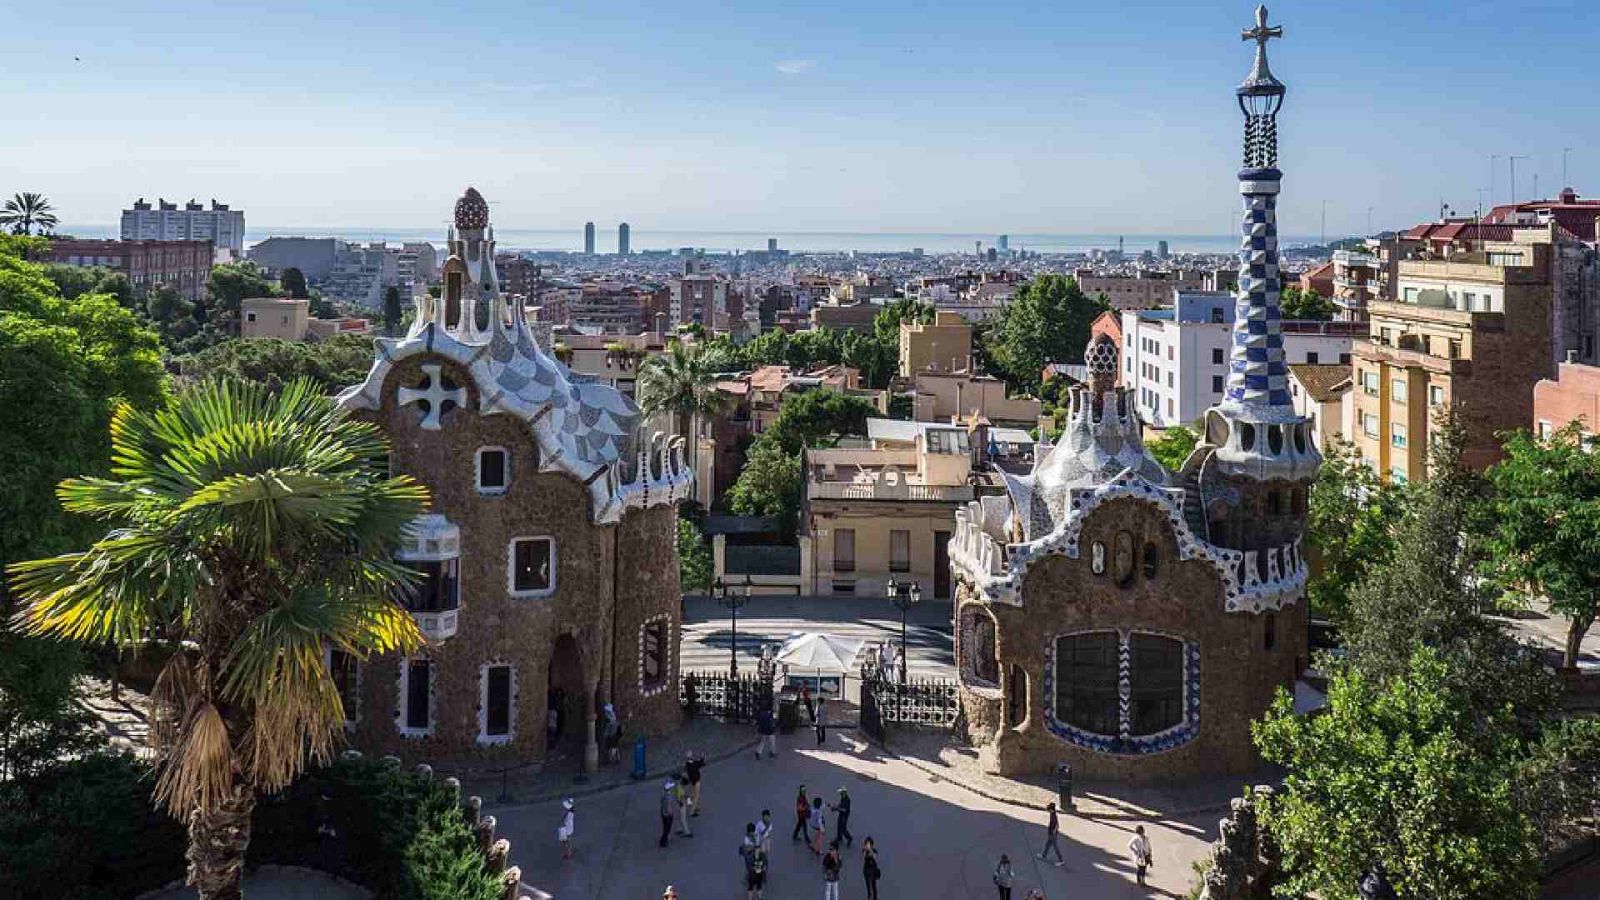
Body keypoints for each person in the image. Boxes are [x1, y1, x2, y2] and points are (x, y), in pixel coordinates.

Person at [1037, 801, 1064, 866]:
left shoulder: (1054, 816)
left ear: (1051, 810)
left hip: (1053, 834)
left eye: (1048, 809)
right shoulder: (1052, 814)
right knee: (1047, 845)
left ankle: (1061, 860)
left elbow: (1057, 825)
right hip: (1050, 833)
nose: (1048, 811)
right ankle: (1043, 855)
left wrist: (1054, 831)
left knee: (1055, 847)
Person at [684, 751, 705, 816]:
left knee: (693, 793)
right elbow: (700, 763)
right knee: (696, 795)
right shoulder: (693, 764)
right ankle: (692, 811)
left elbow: (697, 762)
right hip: (696, 781)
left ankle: (693, 805)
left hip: (692, 781)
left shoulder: (688, 764)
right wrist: (702, 758)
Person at [659, 781, 678, 848]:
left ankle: (664, 840)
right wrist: (671, 813)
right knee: (667, 829)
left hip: (663, 814)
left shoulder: (663, 795)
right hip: (668, 815)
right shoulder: (669, 797)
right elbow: (669, 807)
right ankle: (663, 841)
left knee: (665, 827)